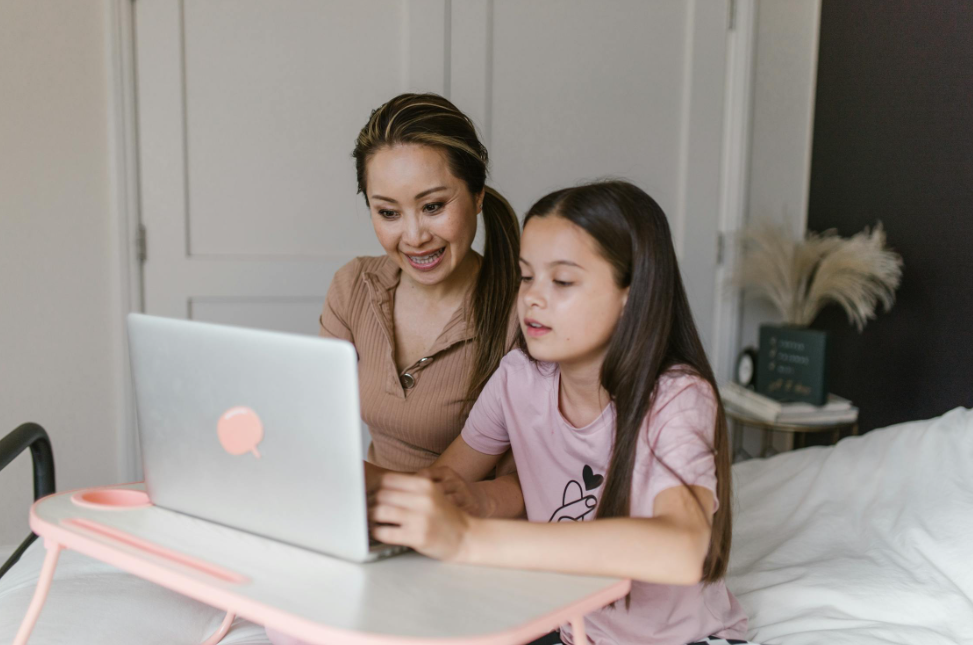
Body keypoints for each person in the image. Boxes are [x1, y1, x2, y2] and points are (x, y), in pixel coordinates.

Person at [371, 181, 751, 645]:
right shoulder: (518, 378)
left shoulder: (677, 397)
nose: (532, 297)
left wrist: (470, 537)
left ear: (632, 293)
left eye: (563, 281)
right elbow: (445, 481)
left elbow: (683, 549)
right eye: (526, 276)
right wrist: (456, 501)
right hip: (566, 629)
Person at [319, 93, 523, 513]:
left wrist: (378, 489)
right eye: (388, 213)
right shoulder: (354, 287)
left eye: (432, 206)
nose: (414, 237)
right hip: (373, 519)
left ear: (478, 196)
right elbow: (314, 422)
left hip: (474, 531)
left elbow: (539, 484)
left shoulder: (525, 313)